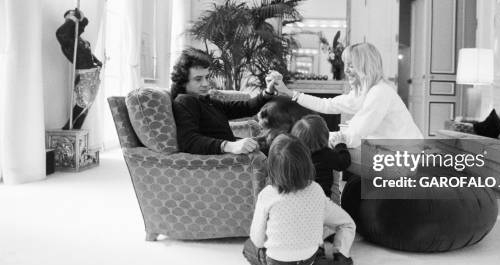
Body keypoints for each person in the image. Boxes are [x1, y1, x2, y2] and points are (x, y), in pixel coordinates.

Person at [243, 134, 356, 265]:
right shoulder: (316, 190)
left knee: (248, 248)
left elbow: (257, 240)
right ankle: (323, 264)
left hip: (277, 262)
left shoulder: (267, 194)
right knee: (315, 245)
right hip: (308, 259)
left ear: (272, 167)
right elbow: (344, 221)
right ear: (307, 163)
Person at [275, 42, 423, 148]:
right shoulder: (364, 92)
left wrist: (313, 136)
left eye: (351, 65)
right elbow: (327, 104)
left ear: (365, 66)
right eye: (346, 65)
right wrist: (290, 93)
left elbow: (355, 136)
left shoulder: (379, 93)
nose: (346, 70)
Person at [171, 47, 277, 155]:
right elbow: (190, 142)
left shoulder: (207, 101)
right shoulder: (184, 101)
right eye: (198, 79)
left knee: (279, 141)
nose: (205, 84)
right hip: (225, 161)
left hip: (233, 154)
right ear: (183, 81)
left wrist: (268, 91)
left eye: (207, 77)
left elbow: (246, 107)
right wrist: (229, 146)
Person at [56, 9, 104, 130]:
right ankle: (68, 126)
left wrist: (97, 61)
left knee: (89, 103)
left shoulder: (80, 40)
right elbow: (60, 33)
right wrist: (73, 18)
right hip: (84, 75)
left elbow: (88, 53)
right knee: (83, 101)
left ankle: (78, 128)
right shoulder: (69, 41)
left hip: (93, 74)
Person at [291, 114, 351, 198]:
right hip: (322, 199)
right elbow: (344, 162)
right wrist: (340, 145)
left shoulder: (293, 155)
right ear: (325, 136)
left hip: (299, 198)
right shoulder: (326, 154)